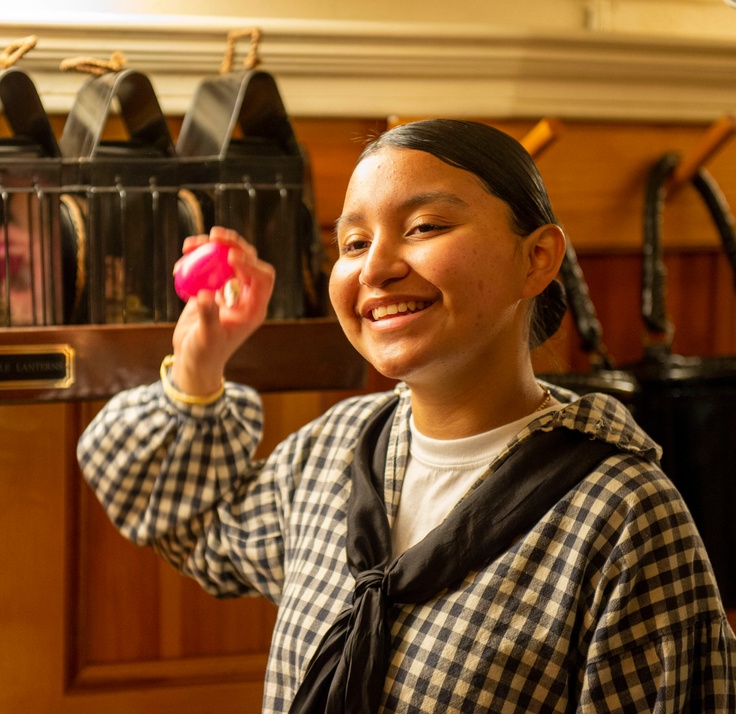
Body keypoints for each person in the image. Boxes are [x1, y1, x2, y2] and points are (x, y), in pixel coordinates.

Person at [77, 119, 736, 712]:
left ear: (537, 258)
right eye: (354, 242)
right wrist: (199, 365)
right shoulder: (332, 452)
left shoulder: (622, 517)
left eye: (424, 228)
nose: (378, 267)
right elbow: (194, 526)